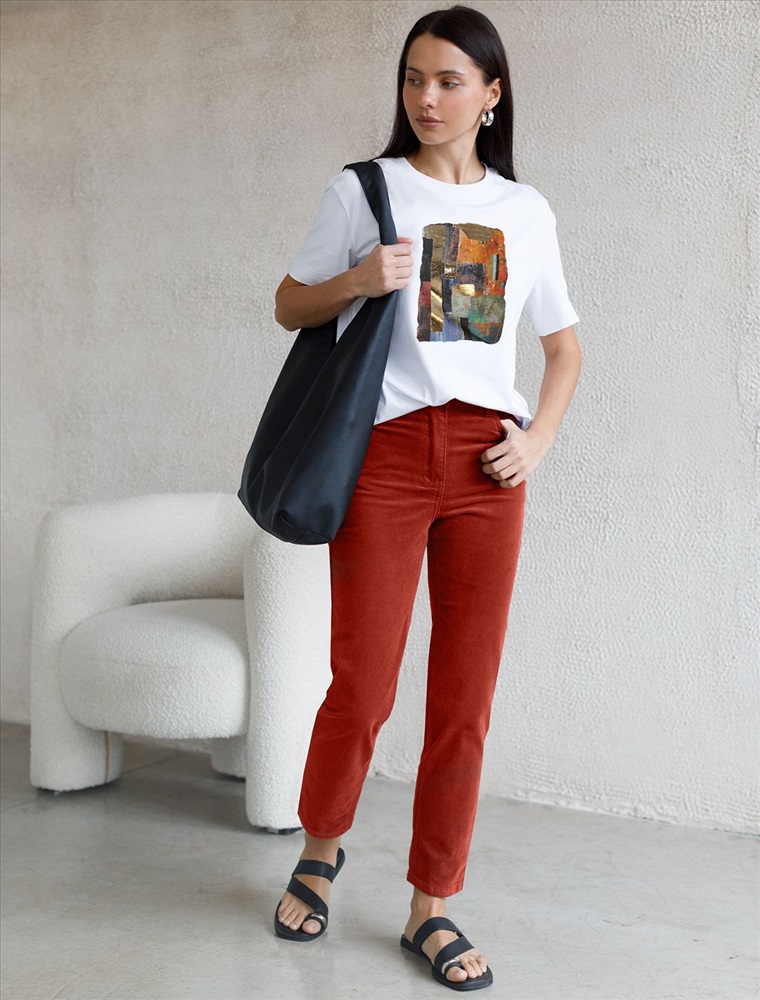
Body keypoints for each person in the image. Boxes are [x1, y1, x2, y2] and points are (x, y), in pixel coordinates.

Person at [272, 4, 581, 991]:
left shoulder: (525, 212)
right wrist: (360, 278)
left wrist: (536, 440)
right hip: (388, 456)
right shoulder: (364, 189)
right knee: (362, 683)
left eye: (449, 80)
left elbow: (563, 348)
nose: (427, 97)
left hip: (488, 467)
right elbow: (289, 302)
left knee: (464, 698)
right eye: (413, 78)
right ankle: (319, 850)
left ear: (491, 95)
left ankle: (430, 905)